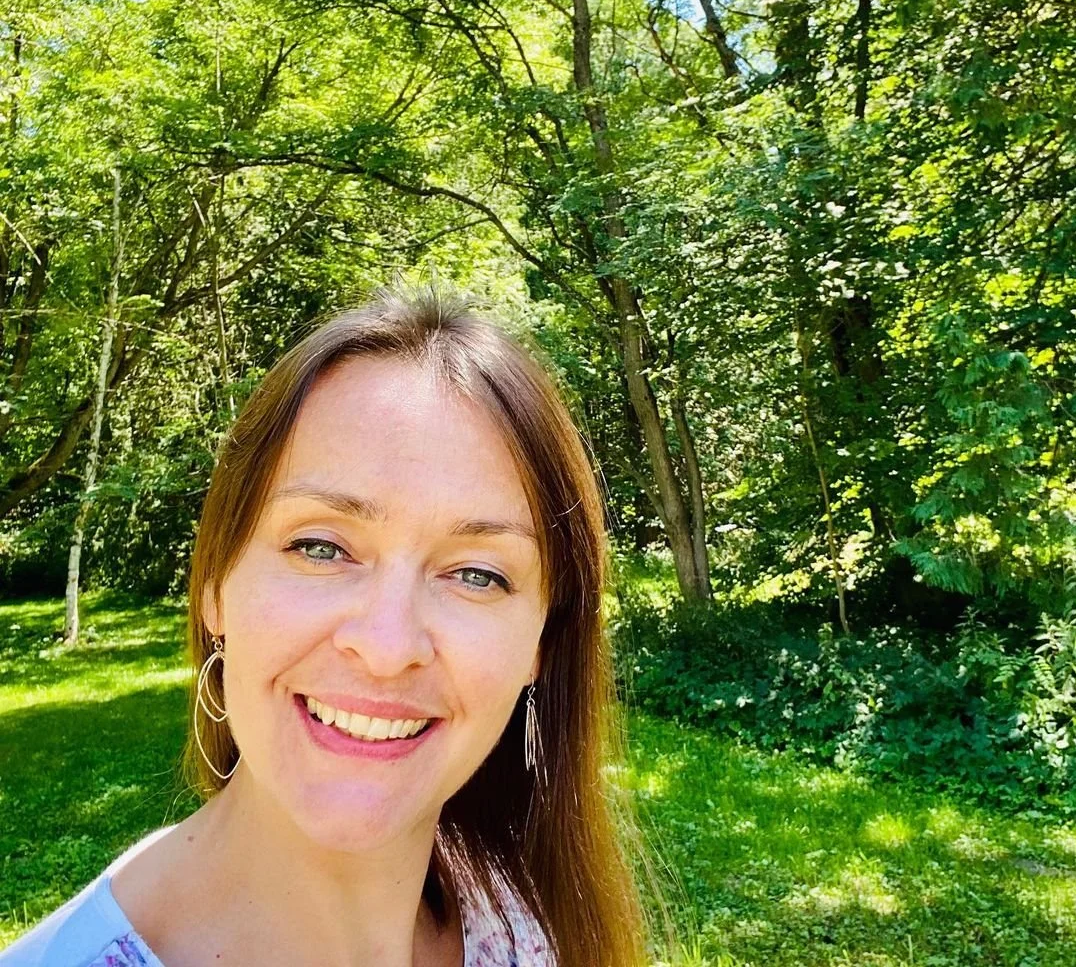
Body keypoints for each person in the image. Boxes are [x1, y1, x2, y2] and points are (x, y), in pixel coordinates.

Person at [2, 284, 647, 967]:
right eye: (320, 547)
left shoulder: (524, 913)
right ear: (216, 586)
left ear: (541, 644)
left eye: (478, 574)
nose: (387, 647)